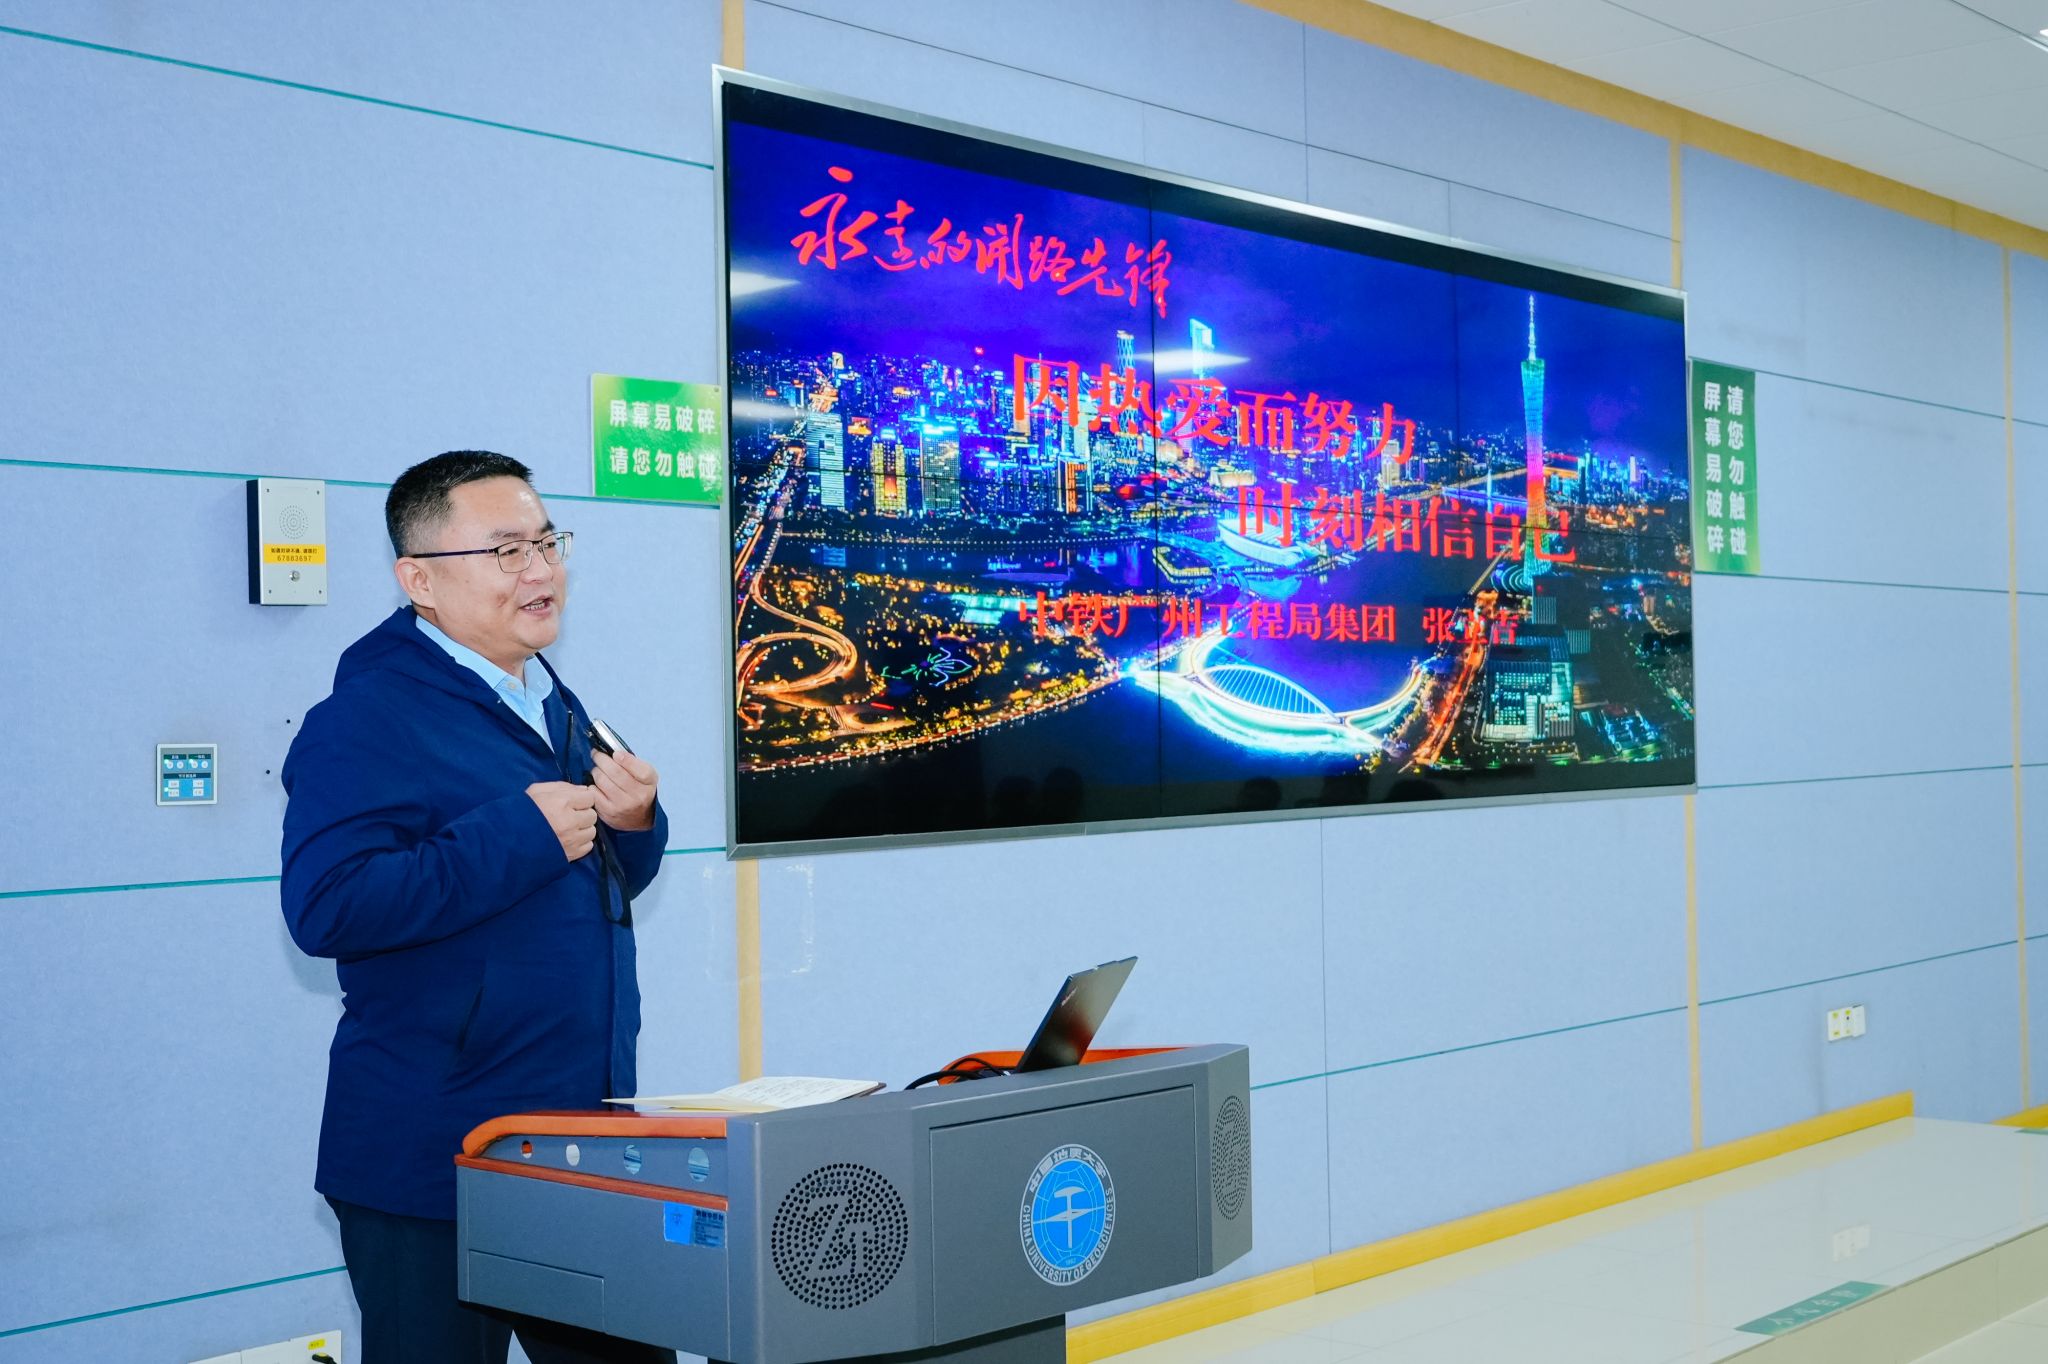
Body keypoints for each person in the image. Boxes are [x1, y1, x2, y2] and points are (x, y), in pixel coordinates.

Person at [280, 451, 675, 1363]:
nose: (541, 571)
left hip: (578, 1137)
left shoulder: (551, 699)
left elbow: (587, 886)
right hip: (435, 1158)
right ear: (419, 581)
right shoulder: (364, 719)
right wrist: (518, 836)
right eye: (506, 552)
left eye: (547, 542)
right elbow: (329, 906)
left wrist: (635, 824)